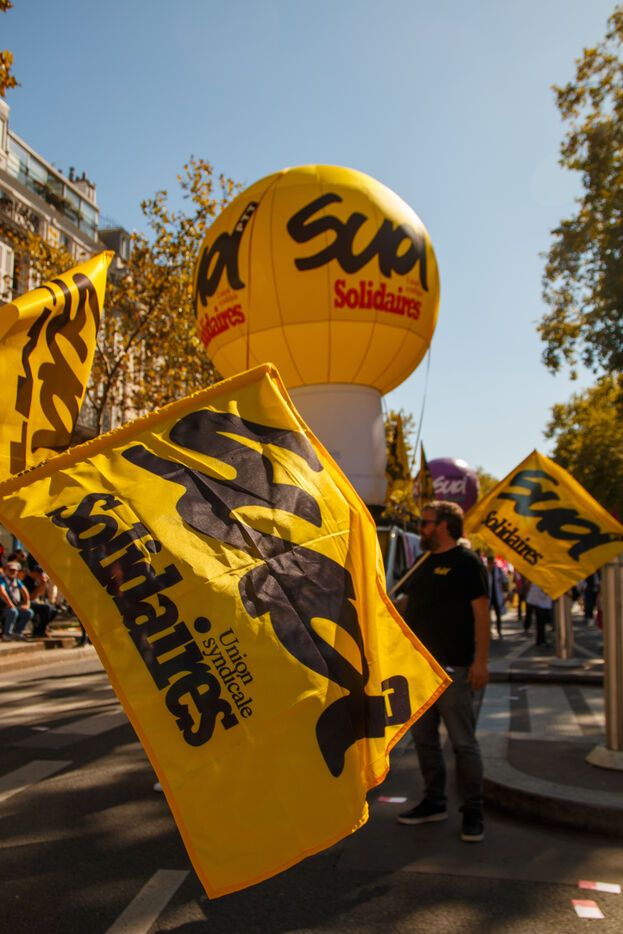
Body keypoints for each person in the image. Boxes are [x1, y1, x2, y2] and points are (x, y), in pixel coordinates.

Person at [395, 501, 490, 843]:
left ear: (444, 526)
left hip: (453, 668)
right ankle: (434, 801)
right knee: (424, 740)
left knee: (463, 743)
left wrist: (481, 662)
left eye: (425, 523)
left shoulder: (467, 563)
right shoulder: (422, 562)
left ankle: (473, 811)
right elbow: (409, 603)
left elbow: (482, 613)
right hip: (420, 668)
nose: (420, 528)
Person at [0, 561, 34, 641]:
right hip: (3, 606)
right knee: (13, 612)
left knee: (28, 612)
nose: (12, 572)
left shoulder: (16, 580)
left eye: (14, 570)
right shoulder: (2, 579)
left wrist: (27, 604)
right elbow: (2, 591)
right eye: (10, 570)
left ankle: (18, 633)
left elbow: (24, 591)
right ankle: (7, 634)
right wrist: (10, 604)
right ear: (6, 570)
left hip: (14, 605)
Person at [525, 582, 553, 646]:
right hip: (540, 602)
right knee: (541, 622)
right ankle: (540, 640)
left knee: (540, 622)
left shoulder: (536, 581)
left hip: (538, 600)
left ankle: (540, 640)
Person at [486, 555, 506, 638]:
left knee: (498, 614)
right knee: (488, 615)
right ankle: (489, 631)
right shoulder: (485, 571)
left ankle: (499, 630)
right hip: (488, 596)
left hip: (497, 595)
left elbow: (505, 580)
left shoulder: (499, 570)